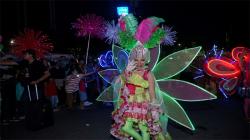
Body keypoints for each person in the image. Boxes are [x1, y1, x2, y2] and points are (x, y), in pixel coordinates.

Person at [110, 43, 170, 140]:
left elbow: (151, 91)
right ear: (132, 60)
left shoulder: (148, 73)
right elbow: (122, 82)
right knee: (125, 127)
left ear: (146, 60)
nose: (139, 63)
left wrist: (155, 106)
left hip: (143, 104)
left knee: (144, 128)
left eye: (142, 60)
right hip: (130, 103)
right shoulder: (130, 70)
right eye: (136, 60)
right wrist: (126, 71)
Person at [239, 48, 250, 123]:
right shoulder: (245, 64)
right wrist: (242, 54)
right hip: (248, 85)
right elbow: (240, 62)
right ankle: (247, 117)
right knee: (247, 102)